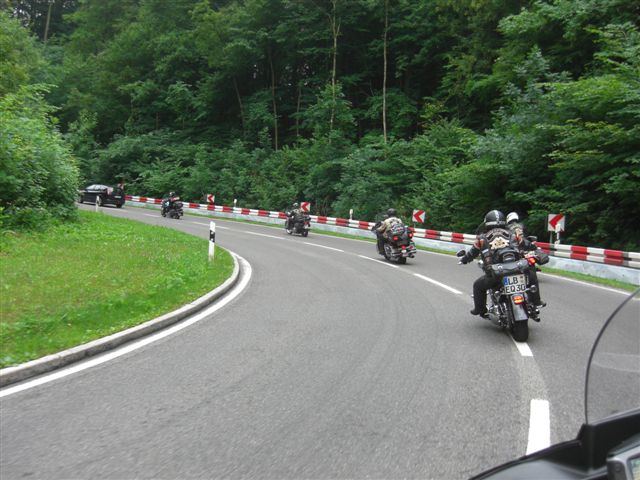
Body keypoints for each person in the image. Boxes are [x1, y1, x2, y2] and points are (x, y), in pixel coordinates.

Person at [459, 210, 543, 317]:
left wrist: (464, 259)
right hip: (517, 269)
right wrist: (535, 248)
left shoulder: (482, 239)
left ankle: (480, 309)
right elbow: (527, 244)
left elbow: (472, 253)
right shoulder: (513, 234)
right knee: (531, 273)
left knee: (478, 286)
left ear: (487, 222)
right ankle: (536, 301)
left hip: (496, 273)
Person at [506, 211, 546, 309]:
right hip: (524, 252)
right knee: (532, 274)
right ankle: (536, 301)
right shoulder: (522, 226)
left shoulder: (505, 228)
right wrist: (532, 247)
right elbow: (527, 239)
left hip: (511, 253)